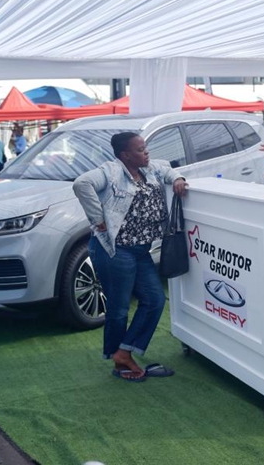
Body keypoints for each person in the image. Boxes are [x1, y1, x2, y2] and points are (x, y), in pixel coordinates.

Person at [73, 132, 188, 382]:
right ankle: (119, 361)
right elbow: (82, 184)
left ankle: (124, 352)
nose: (146, 152)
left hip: (140, 250)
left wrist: (178, 178)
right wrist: (97, 218)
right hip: (115, 250)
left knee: (155, 300)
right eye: (140, 150)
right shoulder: (111, 171)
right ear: (125, 155)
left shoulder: (150, 168)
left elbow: (168, 170)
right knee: (119, 308)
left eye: (145, 148)